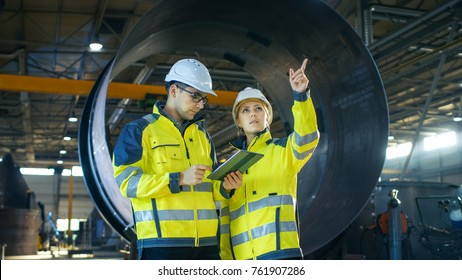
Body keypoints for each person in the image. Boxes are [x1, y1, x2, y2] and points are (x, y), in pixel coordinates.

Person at [113, 58, 242, 260]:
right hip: (163, 245)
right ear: (174, 90)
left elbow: (210, 186)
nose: (200, 105)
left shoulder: (202, 136)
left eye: (204, 99)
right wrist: (178, 179)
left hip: (207, 245)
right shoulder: (139, 131)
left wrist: (226, 186)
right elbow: (127, 184)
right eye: (196, 96)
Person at [220, 58, 320, 260]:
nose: (253, 114)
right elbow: (224, 220)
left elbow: (307, 137)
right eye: (245, 110)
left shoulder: (283, 151)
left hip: (281, 255)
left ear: (268, 116)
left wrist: (300, 95)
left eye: (259, 108)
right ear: (238, 121)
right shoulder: (231, 167)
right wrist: (226, 190)